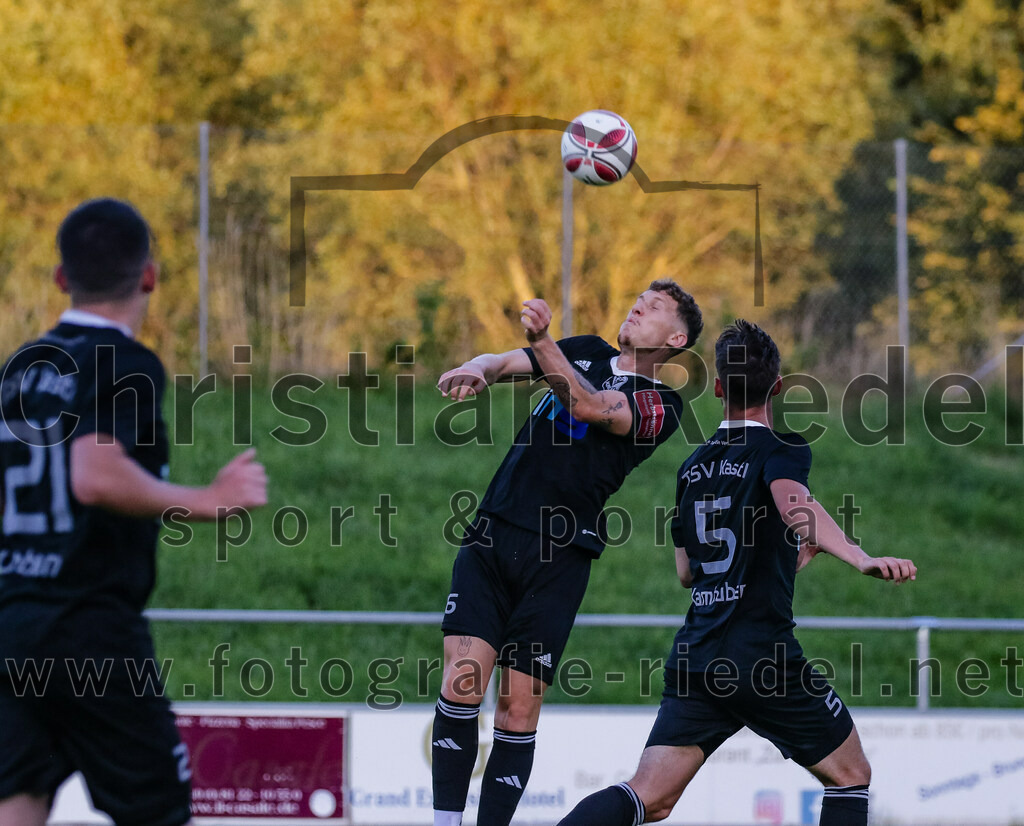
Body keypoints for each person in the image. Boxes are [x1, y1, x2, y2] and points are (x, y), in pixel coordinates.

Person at [555, 319, 918, 826]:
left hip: (699, 655)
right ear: (777, 388)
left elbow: (689, 572)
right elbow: (795, 504)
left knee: (649, 798)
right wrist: (859, 556)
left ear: (720, 388)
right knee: (850, 775)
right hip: (759, 655)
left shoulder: (692, 467)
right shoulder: (780, 449)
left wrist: (785, 561)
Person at [0, 198, 269, 826]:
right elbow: (94, 474)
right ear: (148, 276)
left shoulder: (16, 373)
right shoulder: (125, 364)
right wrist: (206, 500)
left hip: (11, 622)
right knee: (158, 810)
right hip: (88, 628)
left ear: (62, 278)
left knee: (18, 801)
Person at [431, 280, 703, 826]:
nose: (636, 307)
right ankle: (444, 822)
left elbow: (587, 403)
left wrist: (543, 338)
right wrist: (479, 370)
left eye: (652, 308)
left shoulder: (660, 405)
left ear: (675, 338)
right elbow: (502, 362)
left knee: (518, 708)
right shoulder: (585, 349)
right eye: (638, 300)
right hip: (494, 532)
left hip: (560, 558)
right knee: (461, 682)